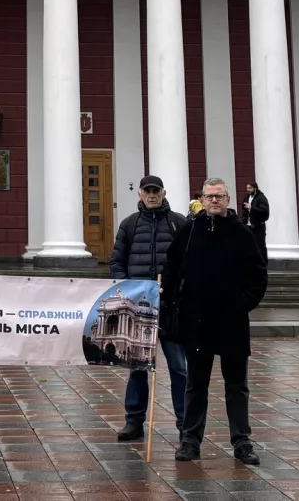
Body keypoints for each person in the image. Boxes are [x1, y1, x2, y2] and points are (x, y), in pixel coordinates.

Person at [162, 178, 268, 465]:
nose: (214, 201)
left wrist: (241, 304)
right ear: (202, 199)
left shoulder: (242, 233)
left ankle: (242, 441)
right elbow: (171, 266)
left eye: (219, 196)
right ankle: (190, 441)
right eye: (209, 196)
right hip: (197, 322)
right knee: (195, 385)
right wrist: (171, 298)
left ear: (228, 200)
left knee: (237, 386)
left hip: (232, 322)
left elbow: (258, 275)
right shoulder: (189, 231)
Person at [107, 175, 188, 441]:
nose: (152, 195)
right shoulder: (129, 224)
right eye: (147, 191)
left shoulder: (178, 223)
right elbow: (117, 261)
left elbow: (189, 262)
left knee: (179, 368)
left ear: (163, 193)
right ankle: (134, 421)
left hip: (172, 308)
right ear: (140, 194)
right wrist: (128, 290)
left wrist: (175, 288)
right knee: (138, 368)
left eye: (156, 191)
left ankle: (186, 424)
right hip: (140, 309)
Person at [242, 182, 269, 260]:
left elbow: (264, 210)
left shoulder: (261, 198)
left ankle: (263, 264)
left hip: (258, 226)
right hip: (248, 225)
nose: (248, 190)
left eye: (250, 188)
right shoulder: (247, 197)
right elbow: (244, 209)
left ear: (255, 188)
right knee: (249, 246)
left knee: (260, 247)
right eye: (247, 188)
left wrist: (252, 207)